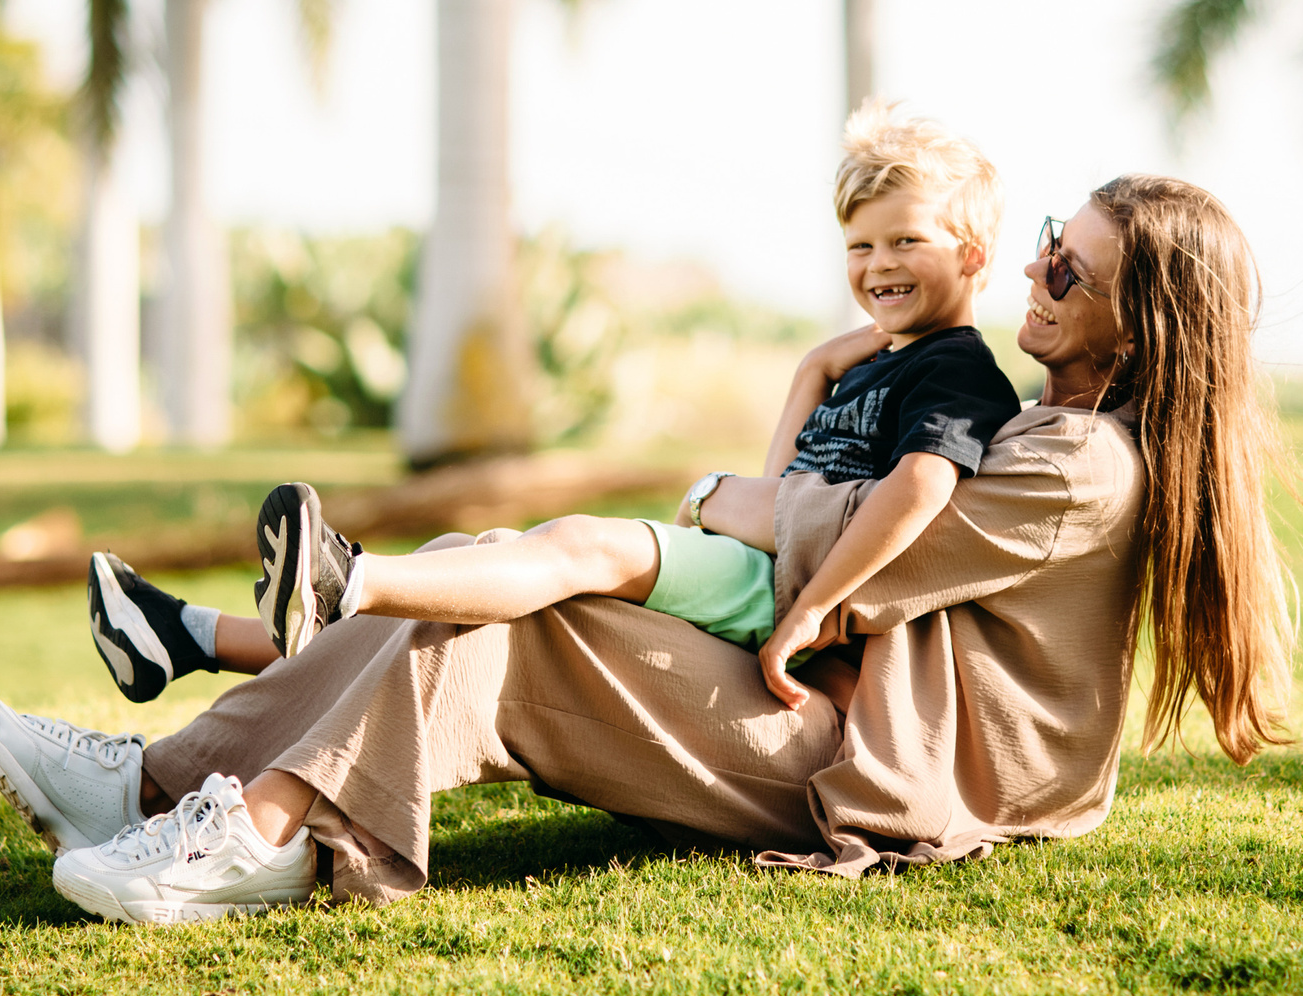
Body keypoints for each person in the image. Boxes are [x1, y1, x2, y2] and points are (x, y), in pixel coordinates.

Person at [0, 175, 1303, 925]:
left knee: (522, 613)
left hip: (874, 759)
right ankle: (157, 780)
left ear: (1140, 325)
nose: (1037, 272)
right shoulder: (1050, 422)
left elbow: (841, 551)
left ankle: (254, 834)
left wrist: (726, 492)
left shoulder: (1084, 461)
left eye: (1068, 270)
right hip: (840, 705)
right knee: (497, 563)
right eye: (1044, 245)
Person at [85, 102, 1022, 710]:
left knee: (575, 542)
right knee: (485, 564)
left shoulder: (957, 373)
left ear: (974, 253)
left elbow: (916, 492)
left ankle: (348, 581)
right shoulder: (863, 365)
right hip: (748, 563)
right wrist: (814, 366)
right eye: (859, 247)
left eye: (906, 240)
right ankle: (187, 637)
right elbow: (779, 489)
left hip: (771, 590)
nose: (878, 265)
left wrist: (811, 611)